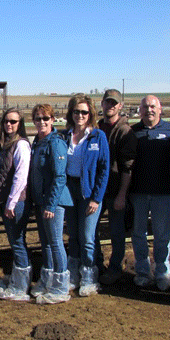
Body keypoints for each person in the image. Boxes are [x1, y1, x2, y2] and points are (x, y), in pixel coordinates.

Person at [130, 95, 170, 291]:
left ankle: (162, 272)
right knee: (139, 234)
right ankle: (143, 272)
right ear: (140, 110)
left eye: (153, 106)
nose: (149, 110)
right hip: (138, 192)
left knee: (162, 234)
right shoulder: (132, 132)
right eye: (145, 107)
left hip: (164, 191)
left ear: (160, 109)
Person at [63, 94, 109, 297]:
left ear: (90, 114)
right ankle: (73, 275)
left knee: (88, 236)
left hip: (88, 190)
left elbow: (104, 169)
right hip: (69, 189)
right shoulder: (65, 136)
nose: (80, 115)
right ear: (71, 113)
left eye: (84, 112)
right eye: (76, 111)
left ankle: (89, 276)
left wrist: (96, 198)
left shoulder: (98, 137)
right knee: (73, 235)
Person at [29, 104, 71, 304]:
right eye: (38, 119)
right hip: (41, 201)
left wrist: (51, 204)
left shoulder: (55, 143)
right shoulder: (38, 142)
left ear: (53, 120)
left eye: (46, 118)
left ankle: (61, 285)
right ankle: (48, 280)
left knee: (55, 242)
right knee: (45, 242)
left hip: (53, 202)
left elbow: (60, 176)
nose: (42, 122)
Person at [95, 89, 137, 286]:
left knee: (116, 231)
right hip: (97, 190)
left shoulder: (124, 132)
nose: (110, 106)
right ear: (102, 104)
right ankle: (96, 264)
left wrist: (122, 194)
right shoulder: (97, 128)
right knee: (90, 229)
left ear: (120, 106)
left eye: (114, 103)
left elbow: (128, 167)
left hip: (114, 190)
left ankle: (114, 268)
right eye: (107, 102)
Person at [0, 108, 32, 301]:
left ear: (20, 124)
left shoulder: (21, 145)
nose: (9, 124)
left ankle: (21, 285)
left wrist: (11, 203)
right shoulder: (5, 144)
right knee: (16, 241)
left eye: (13, 122)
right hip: (9, 200)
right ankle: (18, 280)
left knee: (17, 241)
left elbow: (21, 176)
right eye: (6, 121)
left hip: (16, 202)